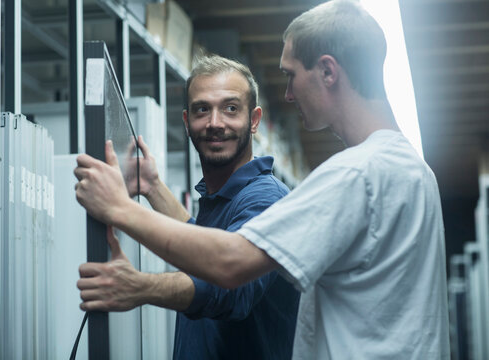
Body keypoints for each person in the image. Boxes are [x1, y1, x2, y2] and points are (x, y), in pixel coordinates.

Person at [75, 1, 450, 358]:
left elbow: (230, 266)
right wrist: (154, 189)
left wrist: (120, 209)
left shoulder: (355, 173)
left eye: (291, 75)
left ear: (328, 71)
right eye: (202, 110)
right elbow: (218, 247)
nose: (287, 94)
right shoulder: (411, 168)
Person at [76, 54, 299, 359]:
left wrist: (140, 286)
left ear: (254, 120)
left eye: (230, 108)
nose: (215, 123)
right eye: (202, 110)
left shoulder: (266, 198)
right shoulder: (223, 198)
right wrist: (152, 188)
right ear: (187, 121)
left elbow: (229, 285)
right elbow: (204, 249)